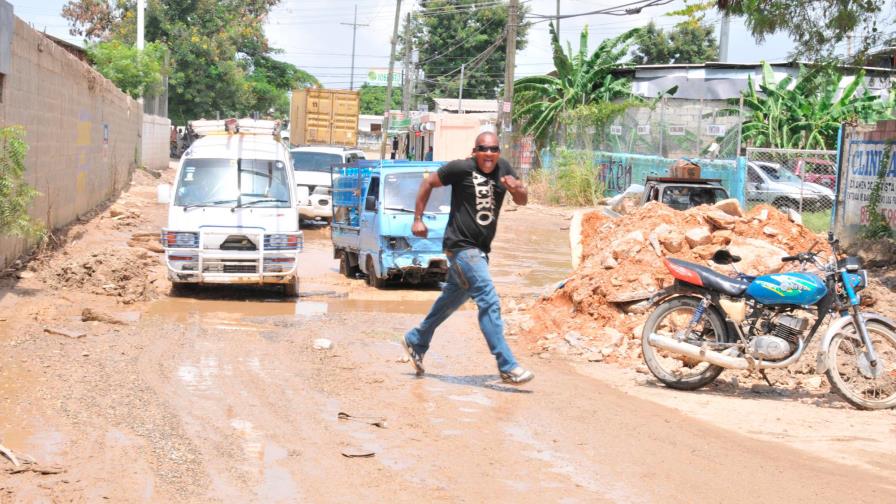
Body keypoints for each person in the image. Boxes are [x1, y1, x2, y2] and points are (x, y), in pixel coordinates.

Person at [401, 131, 534, 385]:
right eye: (484, 149)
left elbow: (522, 200)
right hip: (462, 247)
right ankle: (507, 366)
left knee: (450, 300)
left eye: (494, 149)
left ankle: (416, 340)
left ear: (498, 152)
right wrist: (417, 219)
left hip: (480, 250)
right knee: (488, 299)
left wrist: (518, 189)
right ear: (475, 151)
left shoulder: (504, 169)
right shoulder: (461, 168)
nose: (489, 154)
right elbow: (428, 183)